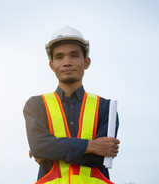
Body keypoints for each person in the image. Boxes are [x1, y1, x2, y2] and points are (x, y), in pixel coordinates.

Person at [23, 25, 120, 184]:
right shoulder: (36, 105)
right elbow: (39, 146)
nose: (67, 62)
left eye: (74, 55)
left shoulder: (107, 109)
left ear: (86, 62)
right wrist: (91, 145)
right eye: (60, 57)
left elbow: (98, 158)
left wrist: (51, 151)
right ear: (51, 65)